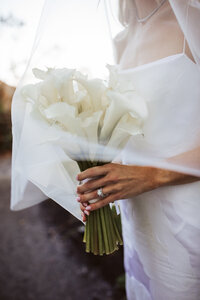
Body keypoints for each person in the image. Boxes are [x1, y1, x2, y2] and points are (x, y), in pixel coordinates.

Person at [78, 1, 200, 299]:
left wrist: (151, 175)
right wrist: (103, 181)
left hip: (188, 215)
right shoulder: (122, 39)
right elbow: (137, 132)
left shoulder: (193, 20)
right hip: (140, 218)